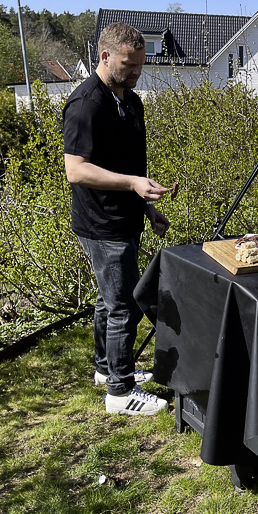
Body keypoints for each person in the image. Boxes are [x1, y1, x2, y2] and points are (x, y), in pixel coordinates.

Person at [63, 21, 171, 416]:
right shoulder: (86, 104)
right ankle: (121, 392)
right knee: (123, 304)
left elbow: (131, 166)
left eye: (141, 64)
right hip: (101, 223)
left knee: (108, 301)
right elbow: (76, 169)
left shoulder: (131, 101)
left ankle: (106, 369)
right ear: (105, 56)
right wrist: (132, 184)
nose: (137, 71)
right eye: (129, 64)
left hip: (125, 217)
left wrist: (147, 205)